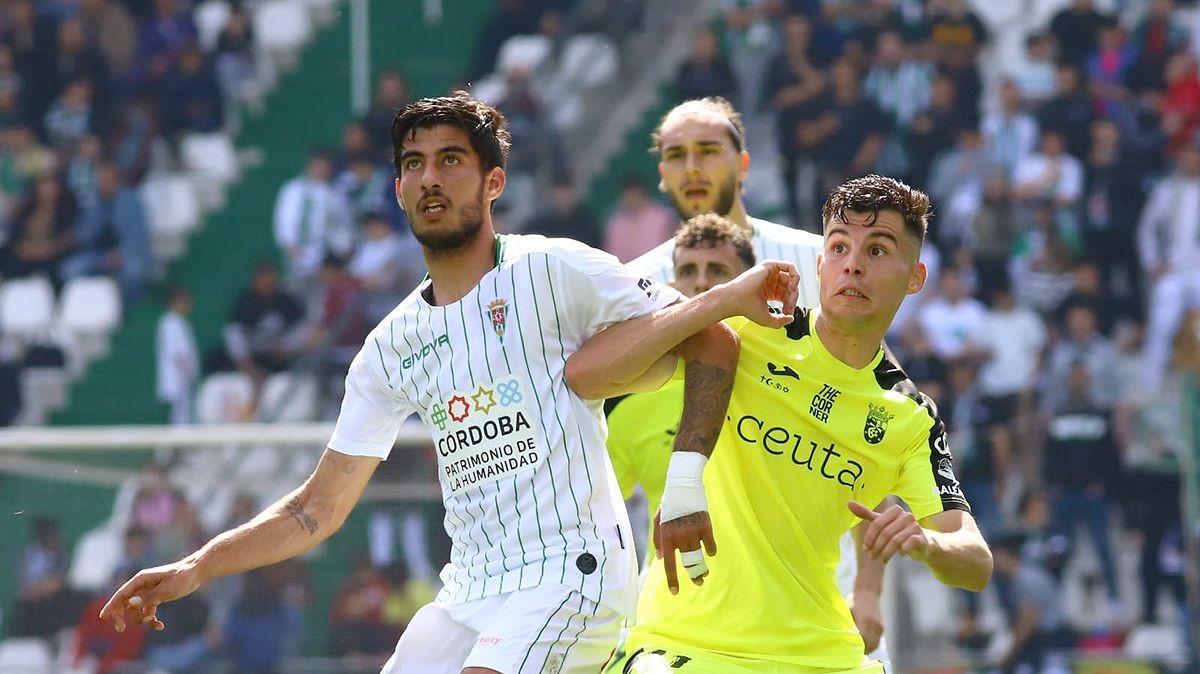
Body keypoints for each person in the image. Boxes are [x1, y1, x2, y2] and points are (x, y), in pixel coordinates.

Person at [99, 92, 800, 674]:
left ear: (492, 182)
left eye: (451, 161)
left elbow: (710, 336)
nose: (430, 178)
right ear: (399, 189)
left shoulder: (556, 268)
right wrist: (197, 566)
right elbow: (316, 509)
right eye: (413, 165)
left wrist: (681, 488)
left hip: (572, 573)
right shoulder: (390, 346)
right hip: (467, 594)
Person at [583, 175, 993, 673]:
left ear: (915, 277)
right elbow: (587, 372)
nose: (854, 264)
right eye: (840, 247)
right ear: (821, 265)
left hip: (821, 657)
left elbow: (975, 562)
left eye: (879, 250)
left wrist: (928, 544)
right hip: (688, 647)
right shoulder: (748, 332)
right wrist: (724, 298)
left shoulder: (910, 415)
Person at [606, 213, 890, 667]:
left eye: (717, 272)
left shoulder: (804, 380)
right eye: (688, 272)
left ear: (749, 281)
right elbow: (603, 517)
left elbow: (874, 485)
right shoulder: (636, 393)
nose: (700, 284)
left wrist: (869, 593)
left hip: (793, 632)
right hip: (678, 627)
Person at [628, 96, 822, 306]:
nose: (691, 167)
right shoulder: (633, 286)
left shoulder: (817, 261)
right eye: (676, 155)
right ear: (663, 175)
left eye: (708, 151)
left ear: (742, 164)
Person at [155, 284, 199, 425]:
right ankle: (174, 446)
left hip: (182, 379)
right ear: (177, 301)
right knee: (177, 419)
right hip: (177, 379)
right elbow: (177, 354)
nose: (189, 304)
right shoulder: (170, 323)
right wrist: (188, 372)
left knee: (183, 417)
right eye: (185, 300)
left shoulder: (179, 322)